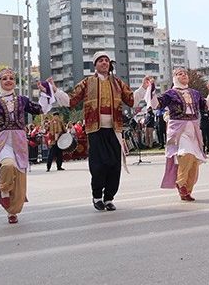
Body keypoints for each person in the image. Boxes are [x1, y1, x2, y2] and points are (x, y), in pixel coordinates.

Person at [54, 51, 147, 211]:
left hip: (114, 129)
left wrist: (143, 88)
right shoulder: (87, 82)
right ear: (95, 65)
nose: (104, 63)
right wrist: (55, 90)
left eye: (106, 61)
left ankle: (109, 198)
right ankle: (97, 197)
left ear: (109, 64)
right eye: (100, 61)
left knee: (114, 165)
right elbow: (71, 101)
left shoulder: (118, 83)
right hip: (94, 130)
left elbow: (131, 100)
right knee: (98, 165)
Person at [0, 68, 55, 224]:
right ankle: (4, 190)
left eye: (11, 78)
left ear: (14, 82)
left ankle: (12, 211)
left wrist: (44, 92)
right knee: (7, 165)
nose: (8, 80)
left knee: (20, 177)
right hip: (2, 141)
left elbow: (40, 109)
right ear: (0, 82)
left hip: (19, 141)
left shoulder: (22, 100)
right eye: (4, 78)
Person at [148, 68, 208, 201]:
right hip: (177, 129)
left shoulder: (195, 93)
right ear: (175, 78)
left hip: (193, 128)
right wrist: (151, 90)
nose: (184, 75)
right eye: (180, 74)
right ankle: (180, 183)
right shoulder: (170, 93)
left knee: (194, 161)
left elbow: (206, 106)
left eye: (185, 73)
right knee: (186, 154)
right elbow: (156, 104)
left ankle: (186, 190)